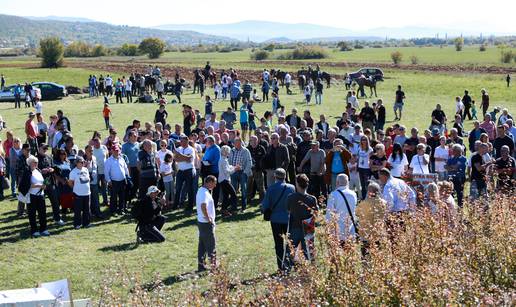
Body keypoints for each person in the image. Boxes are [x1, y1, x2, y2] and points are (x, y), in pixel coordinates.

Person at [261, 168, 295, 272]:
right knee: (289, 243)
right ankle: (288, 264)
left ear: (275, 177)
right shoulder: (292, 188)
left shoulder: (271, 189)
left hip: (275, 220)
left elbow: (265, 206)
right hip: (288, 219)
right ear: (285, 176)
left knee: (278, 244)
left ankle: (281, 266)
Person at [287, 174, 318, 262]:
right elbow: (316, 213)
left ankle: (288, 270)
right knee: (310, 252)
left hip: (295, 227)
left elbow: (288, 210)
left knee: (291, 251)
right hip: (308, 228)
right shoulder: (312, 199)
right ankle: (312, 270)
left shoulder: (291, 198)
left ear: (297, 184)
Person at [326, 174, 358, 243]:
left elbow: (329, 214)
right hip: (350, 229)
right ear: (348, 183)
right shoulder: (353, 194)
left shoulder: (333, 194)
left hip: (338, 231)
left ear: (337, 183)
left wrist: (328, 230)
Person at [355, 182, 387, 251]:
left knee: (365, 257)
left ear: (369, 192)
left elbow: (357, 213)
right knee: (378, 256)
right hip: (378, 234)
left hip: (365, 234)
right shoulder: (384, 203)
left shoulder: (363, 203)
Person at [196, 175, 218, 272]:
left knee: (202, 245)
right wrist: (208, 218)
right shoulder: (204, 193)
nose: (215, 185)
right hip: (206, 223)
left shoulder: (201, 190)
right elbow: (203, 205)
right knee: (211, 245)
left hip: (201, 222)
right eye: (214, 183)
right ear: (209, 182)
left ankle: (201, 265)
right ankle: (214, 266)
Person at [25, 155, 49, 237]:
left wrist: (44, 185)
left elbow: (41, 181)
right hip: (32, 196)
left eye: (37, 162)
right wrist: (39, 185)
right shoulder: (27, 172)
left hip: (41, 195)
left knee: (42, 213)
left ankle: (43, 229)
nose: (36, 164)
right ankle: (34, 230)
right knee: (32, 214)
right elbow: (27, 185)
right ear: (30, 163)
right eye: (34, 162)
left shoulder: (38, 171)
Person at [104, 145, 130, 215]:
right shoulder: (108, 161)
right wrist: (109, 181)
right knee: (114, 197)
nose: (117, 152)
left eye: (118, 150)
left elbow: (125, 168)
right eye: (115, 150)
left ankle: (121, 209)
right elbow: (106, 172)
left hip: (122, 180)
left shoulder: (122, 159)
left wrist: (127, 177)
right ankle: (113, 211)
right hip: (114, 182)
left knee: (122, 196)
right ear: (112, 151)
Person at [68, 156, 92, 229]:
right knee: (78, 210)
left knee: (87, 209)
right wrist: (76, 189)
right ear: (77, 163)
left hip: (87, 193)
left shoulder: (86, 170)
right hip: (78, 194)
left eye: (83, 162)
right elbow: (70, 183)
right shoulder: (73, 172)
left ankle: (86, 223)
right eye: (81, 162)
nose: (83, 163)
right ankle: (77, 224)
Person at [229, 138, 252, 211]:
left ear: (240, 143)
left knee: (244, 190)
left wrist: (245, 172)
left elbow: (249, 162)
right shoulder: (232, 150)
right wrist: (232, 169)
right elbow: (229, 161)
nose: (235, 144)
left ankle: (243, 207)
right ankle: (234, 206)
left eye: (237, 143)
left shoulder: (246, 151)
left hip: (243, 172)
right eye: (235, 143)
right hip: (234, 172)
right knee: (233, 190)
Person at [173, 135, 196, 211]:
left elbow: (189, 159)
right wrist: (184, 158)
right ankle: (176, 205)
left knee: (189, 189)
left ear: (187, 141)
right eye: (180, 141)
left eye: (182, 141)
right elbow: (175, 159)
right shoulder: (179, 148)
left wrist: (179, 155)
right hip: (181, 171)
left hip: (189, 170)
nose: (181, 142)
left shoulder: (191, 149)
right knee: (178, 188)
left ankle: (190, 206)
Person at [218, 145, 239, 215]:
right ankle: (233, 209)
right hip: (224, 180)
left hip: (223, 180)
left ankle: (224, 209)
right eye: (227, 151)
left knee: (226, 196)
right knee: (233, 195)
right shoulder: (223, 160)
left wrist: (234, 167)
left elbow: (228, 167)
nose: (229, 153)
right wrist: (235, 169)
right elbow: (227, 171)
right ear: (224, 152)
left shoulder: (224, 159)